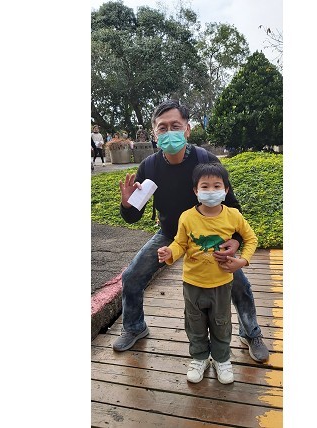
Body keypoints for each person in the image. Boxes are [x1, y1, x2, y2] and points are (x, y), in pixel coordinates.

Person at [114, 99, 270, 363]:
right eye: (162, 127)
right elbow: (133, 216)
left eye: (175, 126)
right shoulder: (149, 167)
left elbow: (232, 205)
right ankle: (134, 327)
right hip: (170, 235)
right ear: (154, 133)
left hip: (211, 236)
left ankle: (250, 332)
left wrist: (235, 240)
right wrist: (127, 204)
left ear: (187, 129)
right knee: (131, 277)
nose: (169, 132)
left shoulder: (204, 160)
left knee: (239, 284)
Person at [157, 163, 258, 384]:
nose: (211, 191)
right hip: (192, 282)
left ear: (226, 190)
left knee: (221, 323)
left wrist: (242, 261)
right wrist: (170, 252)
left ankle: (222, 358)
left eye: (217, 186)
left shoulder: (233, 215)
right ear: (195, 190)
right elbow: (180, 243)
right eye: (205, 186)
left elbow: (250, 239)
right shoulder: (187, 217)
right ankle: (199, 357)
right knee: (195, 323)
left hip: (221, 283)